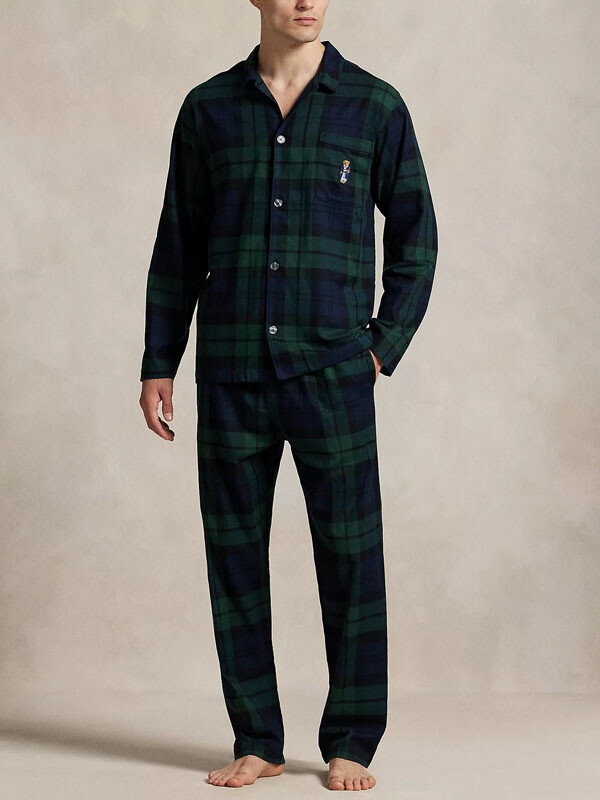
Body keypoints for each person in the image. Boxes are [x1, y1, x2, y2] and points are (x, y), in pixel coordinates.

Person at [139, 0, 437, 791]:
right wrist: (159, 359)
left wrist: (382, 346)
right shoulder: (208, 110)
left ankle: (352, 740)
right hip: (231, 371)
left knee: (351, 557)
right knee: (234, 557)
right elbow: (178, 242)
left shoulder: (374, 106)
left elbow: (417, 237)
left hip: (333, 373)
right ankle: (257, 739)